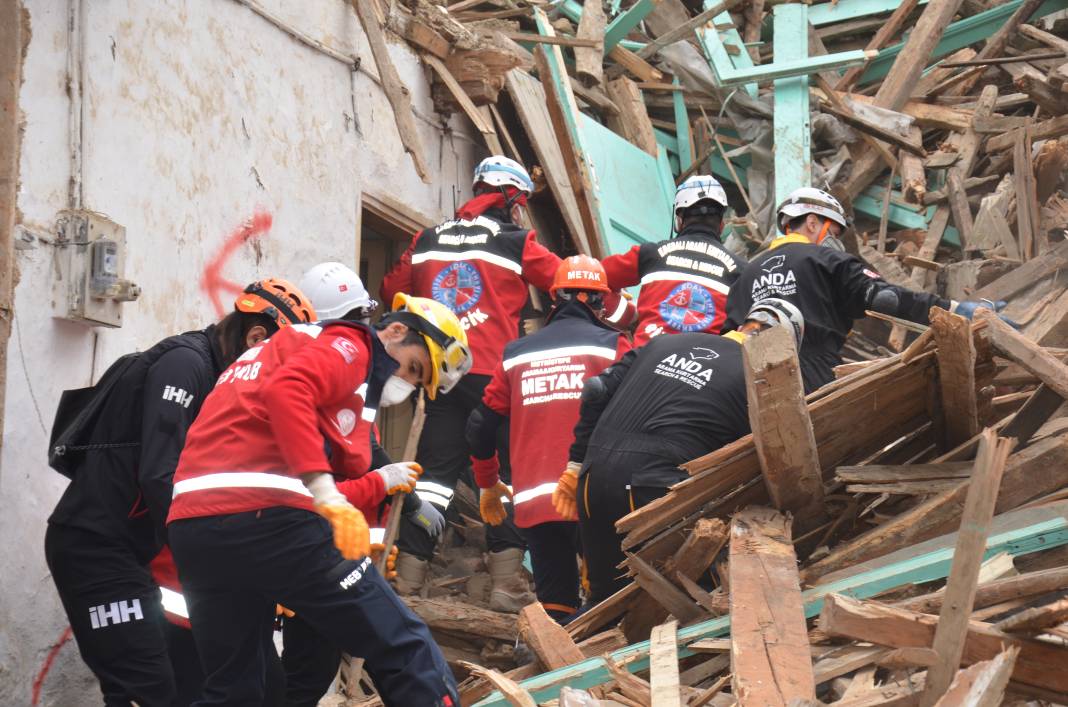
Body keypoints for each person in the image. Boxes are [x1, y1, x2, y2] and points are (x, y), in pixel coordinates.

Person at [166, 293, 470, 706]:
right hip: (270, 519)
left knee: (237, 689)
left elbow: (320, 456)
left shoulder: (283, 351)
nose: (409, 382)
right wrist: (327, 497)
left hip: (195, 528)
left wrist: (355, 507)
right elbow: (289, 393)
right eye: (415, 367)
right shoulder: (350, 345)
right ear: (396, 330)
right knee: (404, 645)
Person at [45, 279, 315, 707]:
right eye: (275, 366)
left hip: (137, 553)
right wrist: (219, 561)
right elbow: (160, 476)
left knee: (194, 683)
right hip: (94, 548)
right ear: (257, 337)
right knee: (149, 690)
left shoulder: (219, 379)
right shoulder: (186, 364)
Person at [381, 156, 560, 607]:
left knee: (434, 479)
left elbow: (392, 290)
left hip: (441, 376)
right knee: (503, 476)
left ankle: (408, 578)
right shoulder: (515, 241)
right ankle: (505, 583)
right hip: (493, 377)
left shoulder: (426, 239)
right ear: (513, 198)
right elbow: (565, 281)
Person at [552, 299, 804, 604]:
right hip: (655, 487)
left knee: (604, 603)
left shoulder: (662, 343)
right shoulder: (759, 376)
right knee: (695, 597)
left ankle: (552, 650)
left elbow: (595, 389)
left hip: (593, 479)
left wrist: (576, 465)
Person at [277, 262, 447, 707]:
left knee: (306, 677)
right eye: (412, 368)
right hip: (296, 554)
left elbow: (365, 460)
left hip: (320, 557)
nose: (407, 382)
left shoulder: (359, 396)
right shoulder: (327, 373)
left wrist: (386, 526)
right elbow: (315, 485)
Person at [466, 256, 631, 623]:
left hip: (536, 504)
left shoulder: (516, 353)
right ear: (599, 301)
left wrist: (488, 483)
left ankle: (552, 667)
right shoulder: (612, 347)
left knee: (556, 606)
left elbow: (480, 425)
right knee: (607, 604)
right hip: (591, 498)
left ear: (555, 297)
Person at [725, 187, 1016, 392]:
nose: (836, 241)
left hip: (747, 376)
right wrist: (956, 310)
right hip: (810, 374)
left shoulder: (746, 274)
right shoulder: (827, 259)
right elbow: (886, 299)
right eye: (835, 232)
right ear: (812, 223)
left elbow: (725, 334)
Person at [600, 175, 747, 346]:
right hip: (706, 366)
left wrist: (629, 317)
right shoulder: (741, 271)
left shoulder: (649, 254)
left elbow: (591, 278)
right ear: (722, 224)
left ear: (679, 220)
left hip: (645, 361)